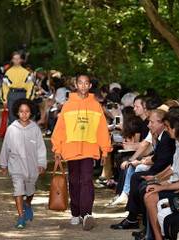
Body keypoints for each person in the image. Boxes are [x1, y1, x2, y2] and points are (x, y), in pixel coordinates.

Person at [51, 74, 112, 231]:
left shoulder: (96, 105)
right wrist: (57, 149)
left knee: (86, 181)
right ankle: (76, 213)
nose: (83, 86)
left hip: (89, 149)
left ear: (90, 86)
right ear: (76, 85)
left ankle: (87, 214)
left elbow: (102, 130)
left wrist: (105, 151)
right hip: (71, 149)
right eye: (80, 83)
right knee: (74, 181)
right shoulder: (68, 105)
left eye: (86, 83)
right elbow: (60, 129)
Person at [0, 98, 47, 229]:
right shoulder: (11, 129)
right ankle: (20, 216)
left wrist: (41, 163)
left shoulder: (35, 129)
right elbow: (5, 147)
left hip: (32, 167)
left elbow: (41, 148)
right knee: (18, 189)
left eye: (27, 111)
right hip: (16, 166)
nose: (24, 114)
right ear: (17, 112)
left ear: (31, 113)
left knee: (30, 190)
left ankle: (28, 203)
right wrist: (4, 164)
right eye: (21, 111)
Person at [1, 52, 34, 123]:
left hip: (23, 95)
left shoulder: (26, 73)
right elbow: (4, 87)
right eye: (14, 59)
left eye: (18, 59)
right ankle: (13, 133)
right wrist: (4, 100)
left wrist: (28, 99)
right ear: (12, 60)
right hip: (11, 95)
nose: (16, 60)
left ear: (21, 60)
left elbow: (30, 87)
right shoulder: (8, 72)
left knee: (23, 117)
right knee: (12, 117)